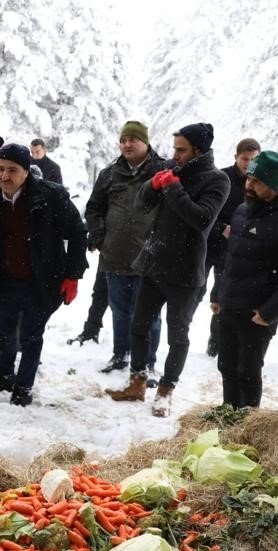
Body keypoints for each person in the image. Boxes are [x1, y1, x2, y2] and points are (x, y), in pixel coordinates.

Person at [106, 122, 229, 417]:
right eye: (174, 148)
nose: (175, 154)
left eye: (181, 149)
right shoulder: (173, 170)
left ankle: (165, 391)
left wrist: (172, 188)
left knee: (178, 335)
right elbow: (142, 202)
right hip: (154, 263)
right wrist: (154, 185)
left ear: (198, 151)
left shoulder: (217, 180)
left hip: (185, 274)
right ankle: (137, 382)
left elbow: (201, 219)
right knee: (139, 325)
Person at [0, 143, 87, 406]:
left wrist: (73, 275)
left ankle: (23, 387)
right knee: (3, 331)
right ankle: (4, 376)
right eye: (0, 169)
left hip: (41, 278)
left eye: (12, 170)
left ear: (26, 172)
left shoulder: (50, 196)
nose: (4, 176)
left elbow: (78, 232)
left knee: (31, 336)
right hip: (7, 277)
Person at [211, 151, 278, 408]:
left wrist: (268, 312)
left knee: (247, 372)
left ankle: (247, 424)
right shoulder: (242, 211)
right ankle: (228, 417)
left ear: (274, 185)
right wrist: (217, 293)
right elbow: (230, 257)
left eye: (257, 181)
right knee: (226, 366)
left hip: (256, 314)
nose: (249, 185)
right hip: (229, 306)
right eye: (248, 179)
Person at [85, 121, 166, 376]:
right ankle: (121, 355)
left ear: (145, 142)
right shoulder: (109, 173)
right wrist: (98, 235)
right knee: (119, 311)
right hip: (114, 256)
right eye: (123, 140)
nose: (127, 144)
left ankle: (149, 363)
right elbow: (94, 207)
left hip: (149, 259)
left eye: (133, 139)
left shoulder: (162, 171)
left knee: (149, 315)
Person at [204, 137, 260, 357]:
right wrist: (221, 228)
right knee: (197, 290)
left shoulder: (259, 183)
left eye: (253, 159)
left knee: (223, 296)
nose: (248, 163)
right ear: (236, 157)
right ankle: (182, 333)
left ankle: (216, 341)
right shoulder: (222, 177)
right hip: (210, 244)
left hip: (236, 250)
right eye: (244, 158)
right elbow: (208, 210)